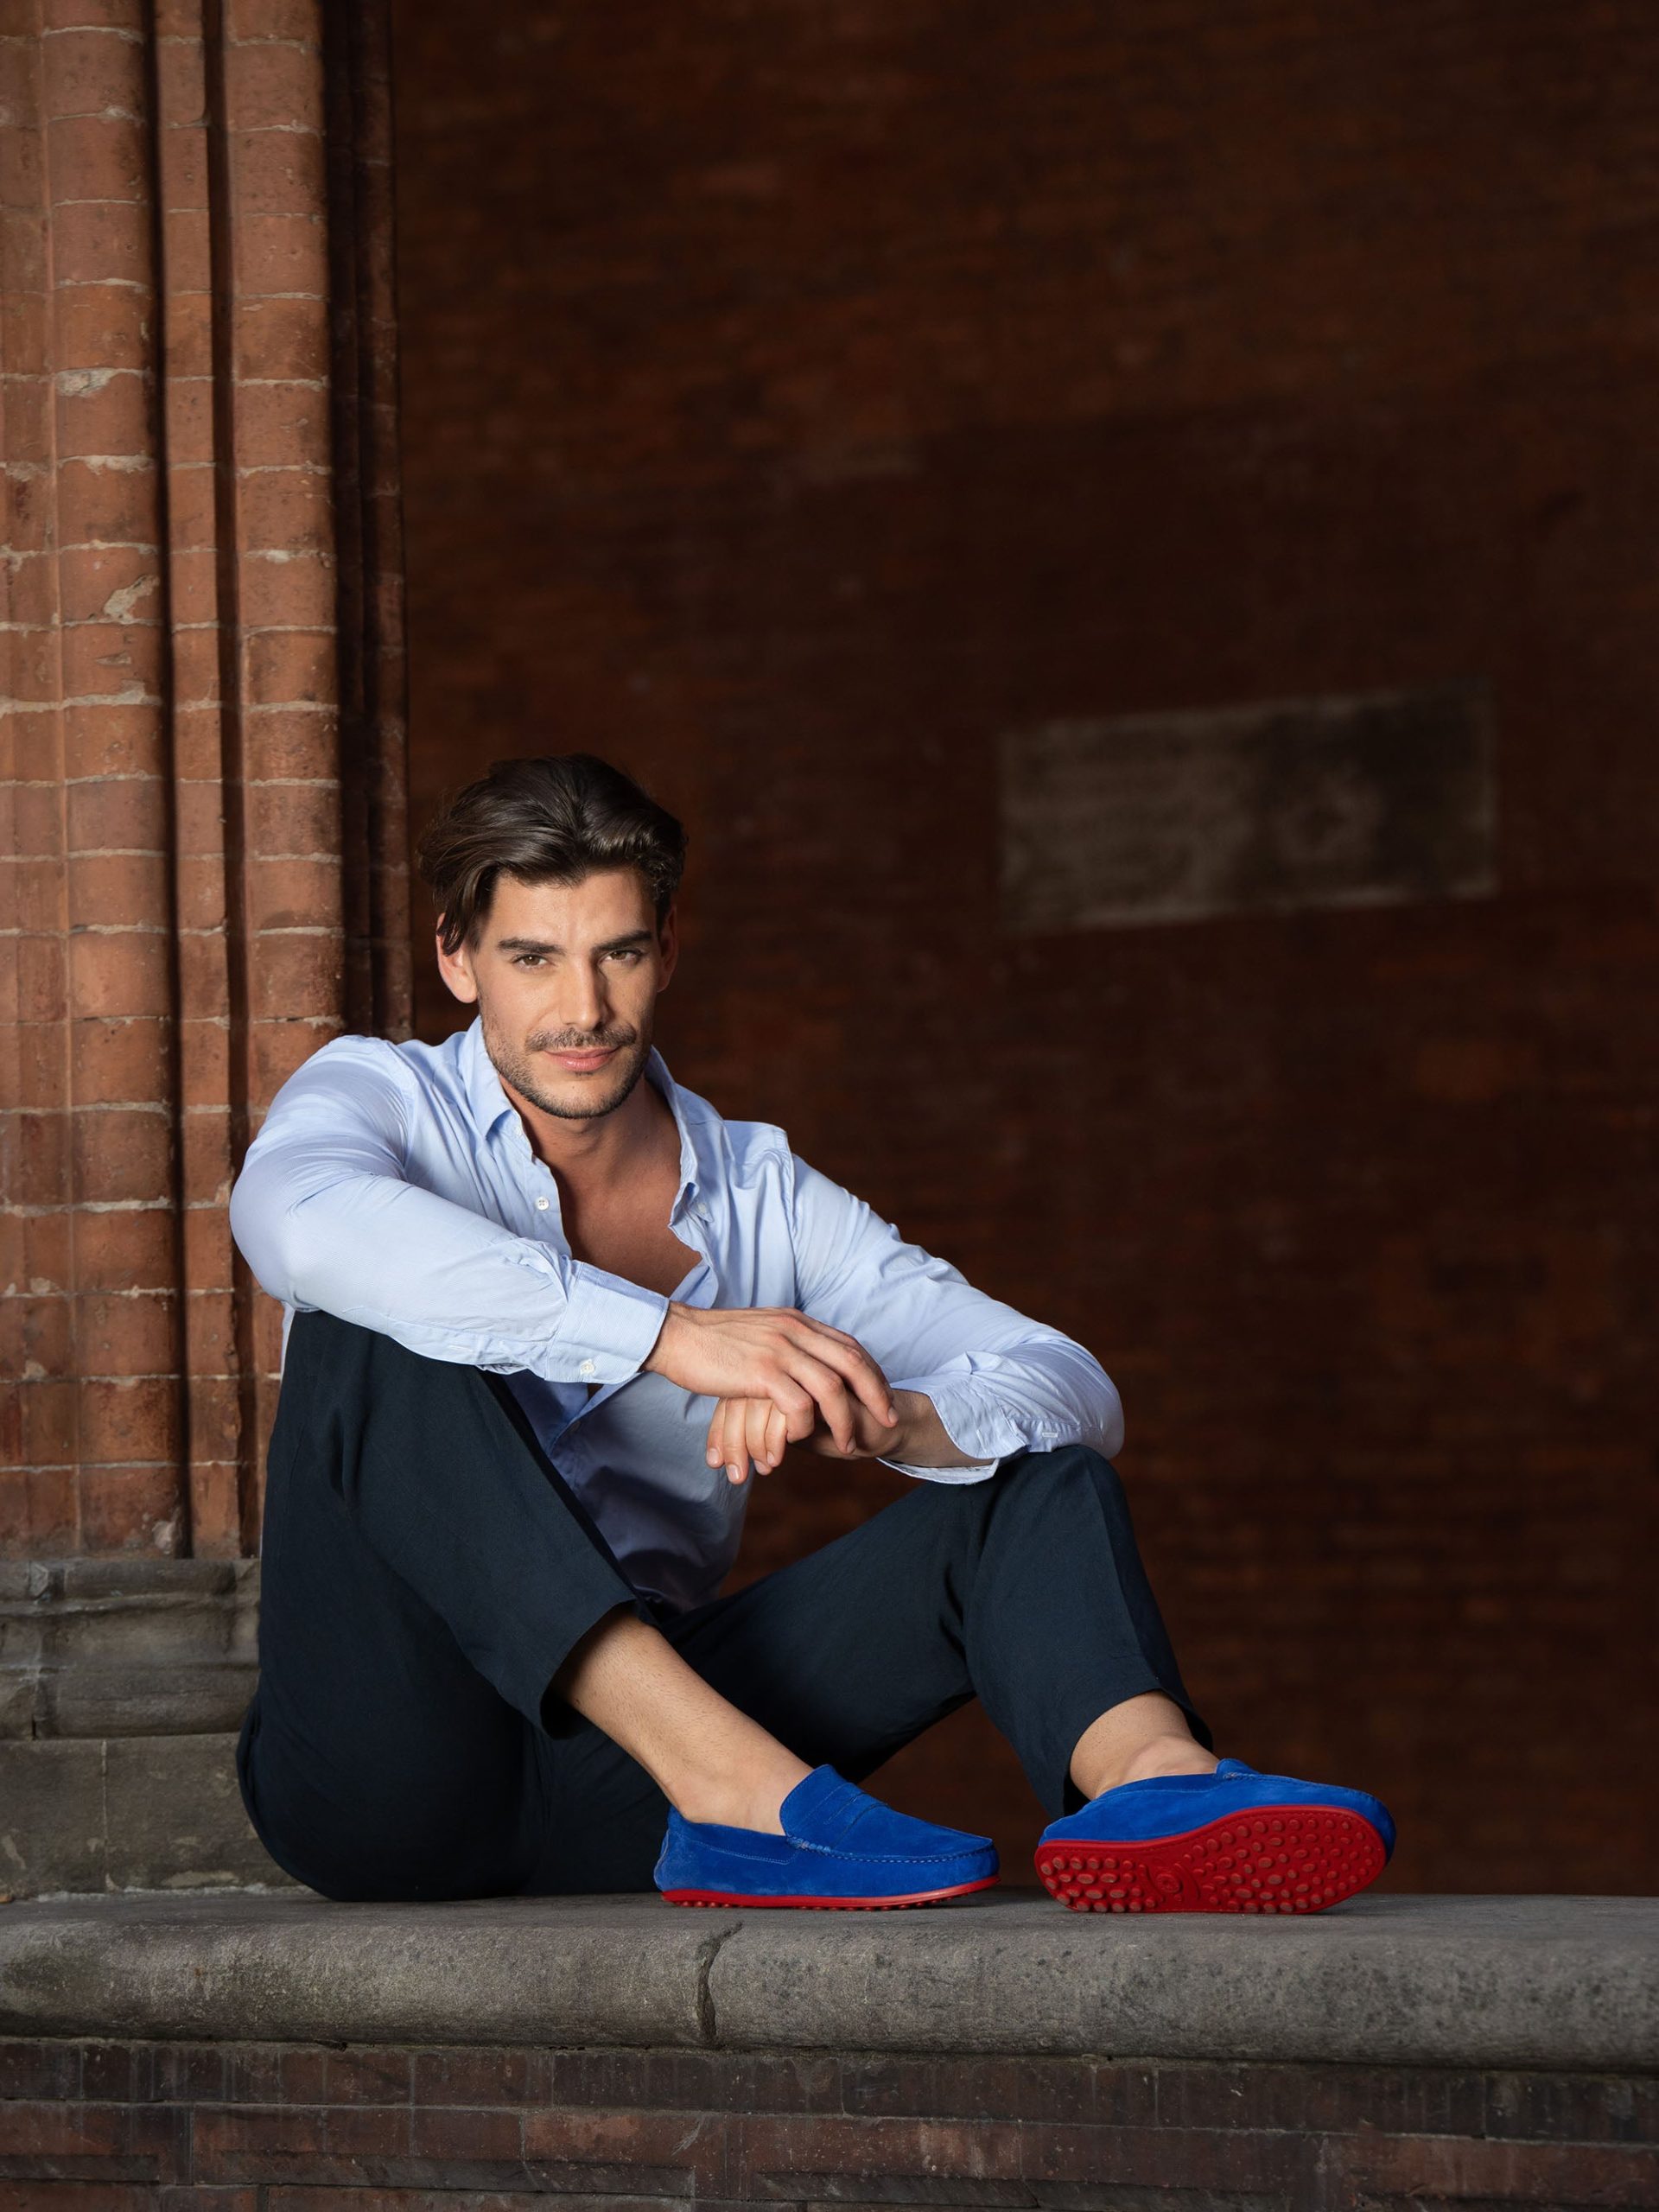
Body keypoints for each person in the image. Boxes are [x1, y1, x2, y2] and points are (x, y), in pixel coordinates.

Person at [229, 753, 1394, 1913]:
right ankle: (735, 1795)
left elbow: (1074, 1386)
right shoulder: (381, 1099)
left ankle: (1155, 1784)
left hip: (618, 1784)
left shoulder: (766, 1198)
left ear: (666, 949)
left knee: (1034, 1477)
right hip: (389, 1775)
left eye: (617, 954)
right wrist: (674, 1337)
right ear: (458, 958)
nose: (582, 1010)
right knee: (370, 1322)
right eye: (533, 958)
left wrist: (894, 1416)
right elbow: (295, 1222)